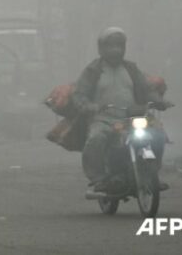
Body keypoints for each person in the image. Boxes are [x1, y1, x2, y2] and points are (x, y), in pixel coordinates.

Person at [72, 27, 171, 196]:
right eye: (110, 46)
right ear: (102, 48)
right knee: (95, 139)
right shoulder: (92, 70)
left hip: (133, 118)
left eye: (118, 45)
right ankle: (99, 180)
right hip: (103, 119)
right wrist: (89, 106)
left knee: (158, 135)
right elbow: (80, 94)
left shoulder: (131, 69)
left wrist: (159, 101)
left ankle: (151, 173)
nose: (115, 50)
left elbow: (146, 89)